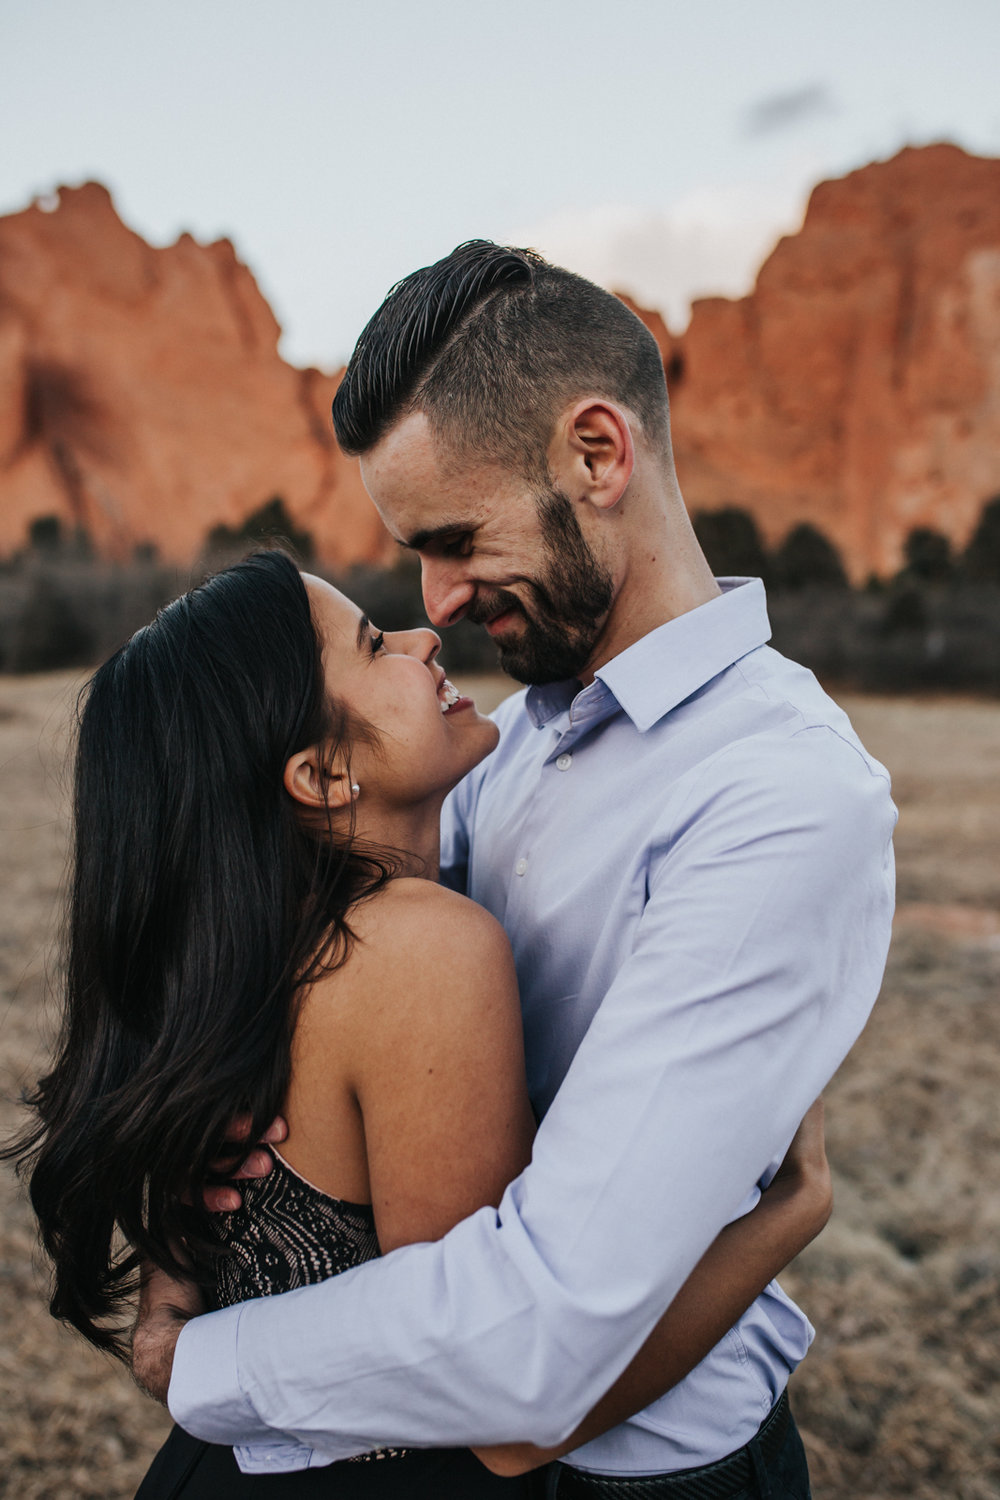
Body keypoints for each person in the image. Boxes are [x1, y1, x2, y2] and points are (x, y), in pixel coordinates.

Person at [137, 243, 897, 1498]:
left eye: (453, 537)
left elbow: (543, 1338)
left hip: (644, 1473)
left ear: (598, 454)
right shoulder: (519, 739)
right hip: (439, 1438)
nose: (434, 597)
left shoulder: (777, 795)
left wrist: (198, 1359)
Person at [7, 550, 832, 1499]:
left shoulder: (238, 954)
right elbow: (511, 1395)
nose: (424, 633)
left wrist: (173, 1312)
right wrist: (787, 1212)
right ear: (319, 774)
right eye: (373, 644)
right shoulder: (422, 951)